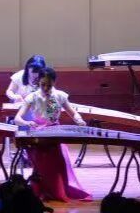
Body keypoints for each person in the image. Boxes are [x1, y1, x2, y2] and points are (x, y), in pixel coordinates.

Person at [13, 67, 91, 202]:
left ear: (54, 82)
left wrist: (79, 120)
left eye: (49, 85)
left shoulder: (59, 96)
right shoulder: (32, 97)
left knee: (57, 163)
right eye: (42, 84)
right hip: (39, 133)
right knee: (41, 164)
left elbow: (73, 113)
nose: (45, 88)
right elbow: (17, 118)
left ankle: (57, 190)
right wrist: (27, 122)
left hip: (55, 133)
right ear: (39, 82)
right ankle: (42, 190)